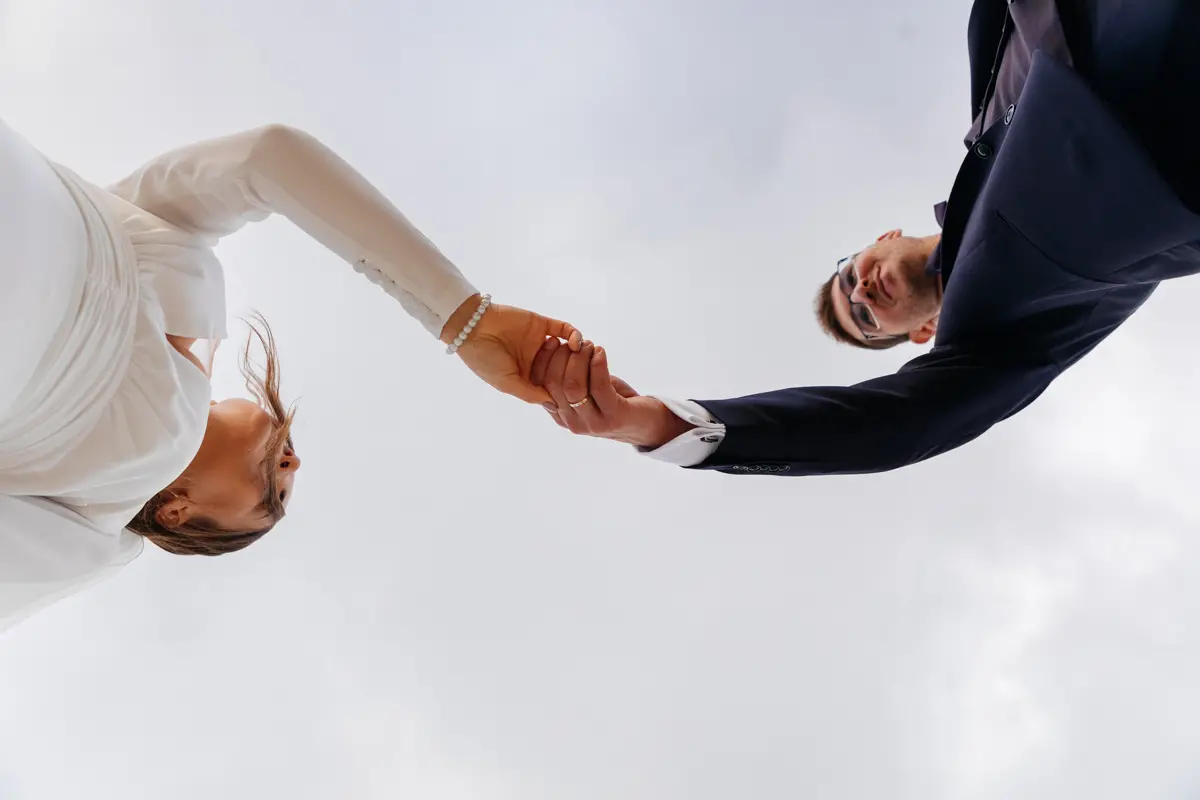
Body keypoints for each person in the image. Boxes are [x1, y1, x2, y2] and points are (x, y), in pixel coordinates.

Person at [533, 0, 1200, 476]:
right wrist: (656, 424)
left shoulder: (988, 94)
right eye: (865, 319)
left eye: (849, 275)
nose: (863, 293)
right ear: (917, 335)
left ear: (880, 238)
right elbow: (895, 422)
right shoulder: (1002, 326)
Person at [0, 121, 581, 633]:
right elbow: (268, 157)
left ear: (179, 511)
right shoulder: (174, 257)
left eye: (272, 498)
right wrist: (462, 316)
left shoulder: (95, 528)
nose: (293, 465)